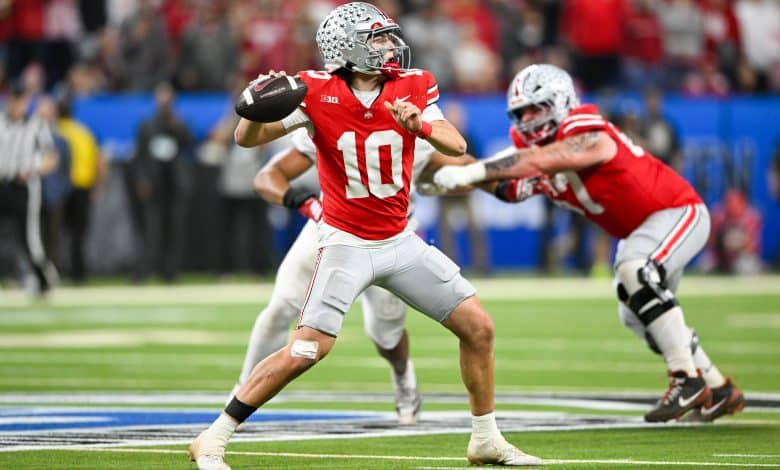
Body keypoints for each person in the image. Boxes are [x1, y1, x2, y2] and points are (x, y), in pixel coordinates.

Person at [189, 3, 541, 469]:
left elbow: (457, 145)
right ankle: (214, 437)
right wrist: (253, 105)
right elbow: (246, 138)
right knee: (306, 349)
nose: (389, 46)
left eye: (387, 37)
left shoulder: (413, 85)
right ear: (348, 47)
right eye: (376, 39)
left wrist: (423, 125)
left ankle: (485, 438)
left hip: (399, 239)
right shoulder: (315, 90)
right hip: (345, 241)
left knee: (478, 327)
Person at [433, 64, 745, 424]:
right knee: (636, 315)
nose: (529, 119)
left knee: (635, 272)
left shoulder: (583, 128)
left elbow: (539, 160)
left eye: (537, 108)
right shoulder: (536, 152)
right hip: (640, 229)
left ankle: (686, 379)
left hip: (677, 210)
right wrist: (447, 167)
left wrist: (469, 172)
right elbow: (510, 188)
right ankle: (717, 386)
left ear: (562, 102)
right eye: (522, 113)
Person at [0, 83, 59, 298]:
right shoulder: (0, 122)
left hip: (23, 186)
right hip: (2, 183)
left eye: (20, 100)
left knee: (28, 236)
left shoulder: (37, 126)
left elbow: (52, 158)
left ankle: (43, 278)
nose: (16, 105)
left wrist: (33, 169)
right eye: (13, 100)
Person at [57, 96, 105, 284]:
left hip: (61, 188)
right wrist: (97, 185)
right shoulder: (84, 132)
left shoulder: (55, 131)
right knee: (79, 233)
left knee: (57, 233)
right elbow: (100, 162)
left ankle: (58, 271)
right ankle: (79, 273)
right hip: (83, 187)